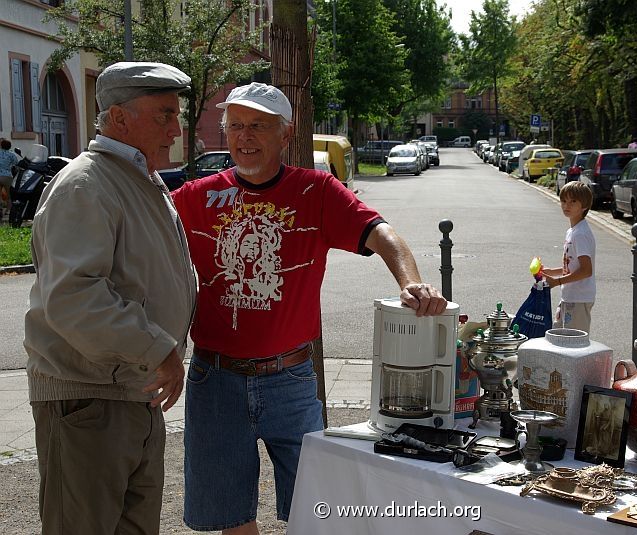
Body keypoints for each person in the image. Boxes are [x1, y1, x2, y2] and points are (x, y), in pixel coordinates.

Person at [172, 82, 447, 533]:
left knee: (314, 509)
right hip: (215, 378)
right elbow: (147, 248)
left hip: (291, 379)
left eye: (258, 126)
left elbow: (381, 234)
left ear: (286, 133)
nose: (245, 136)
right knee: (231, 516)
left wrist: (411, 282)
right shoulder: (195, 197)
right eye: (236, 125)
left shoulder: (315, 191)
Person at [24, 62, 197, 534]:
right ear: (118, 119)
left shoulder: (138, 178)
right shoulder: (87, 183)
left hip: (129, 394)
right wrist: (157, 347)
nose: (176, 129)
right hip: (90, 399)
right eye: (164, 115)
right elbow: (73, 297)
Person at [541, 181, 596, 334]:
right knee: (558, 336)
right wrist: (552, 272)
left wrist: (557, 281)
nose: (567, 205)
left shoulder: (580, 234)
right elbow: (573, 265)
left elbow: (586, 270)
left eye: (573, 201)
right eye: (564, 201)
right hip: (569, 296)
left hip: (579, 298)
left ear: (584, 206)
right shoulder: (572, 231)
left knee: (574, 343)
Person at [0, 138, 19, 217]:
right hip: (8, 176)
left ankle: (0, 209)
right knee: (9, 194)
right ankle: (8, 210)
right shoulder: (12, 154)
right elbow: (16, 163)